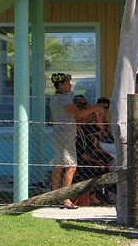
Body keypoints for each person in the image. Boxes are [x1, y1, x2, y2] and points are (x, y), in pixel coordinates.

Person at [49, 72, 105, 210]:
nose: (70, 85)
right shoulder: (63, 99)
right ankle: (65, 198)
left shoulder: (57, 98)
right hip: (65, 136)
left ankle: (54, 195)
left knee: (59, 166)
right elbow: (78, 114)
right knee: (71, 166)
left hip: (61, 134)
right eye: (67, 83)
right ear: (60, 85)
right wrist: (94, 109)